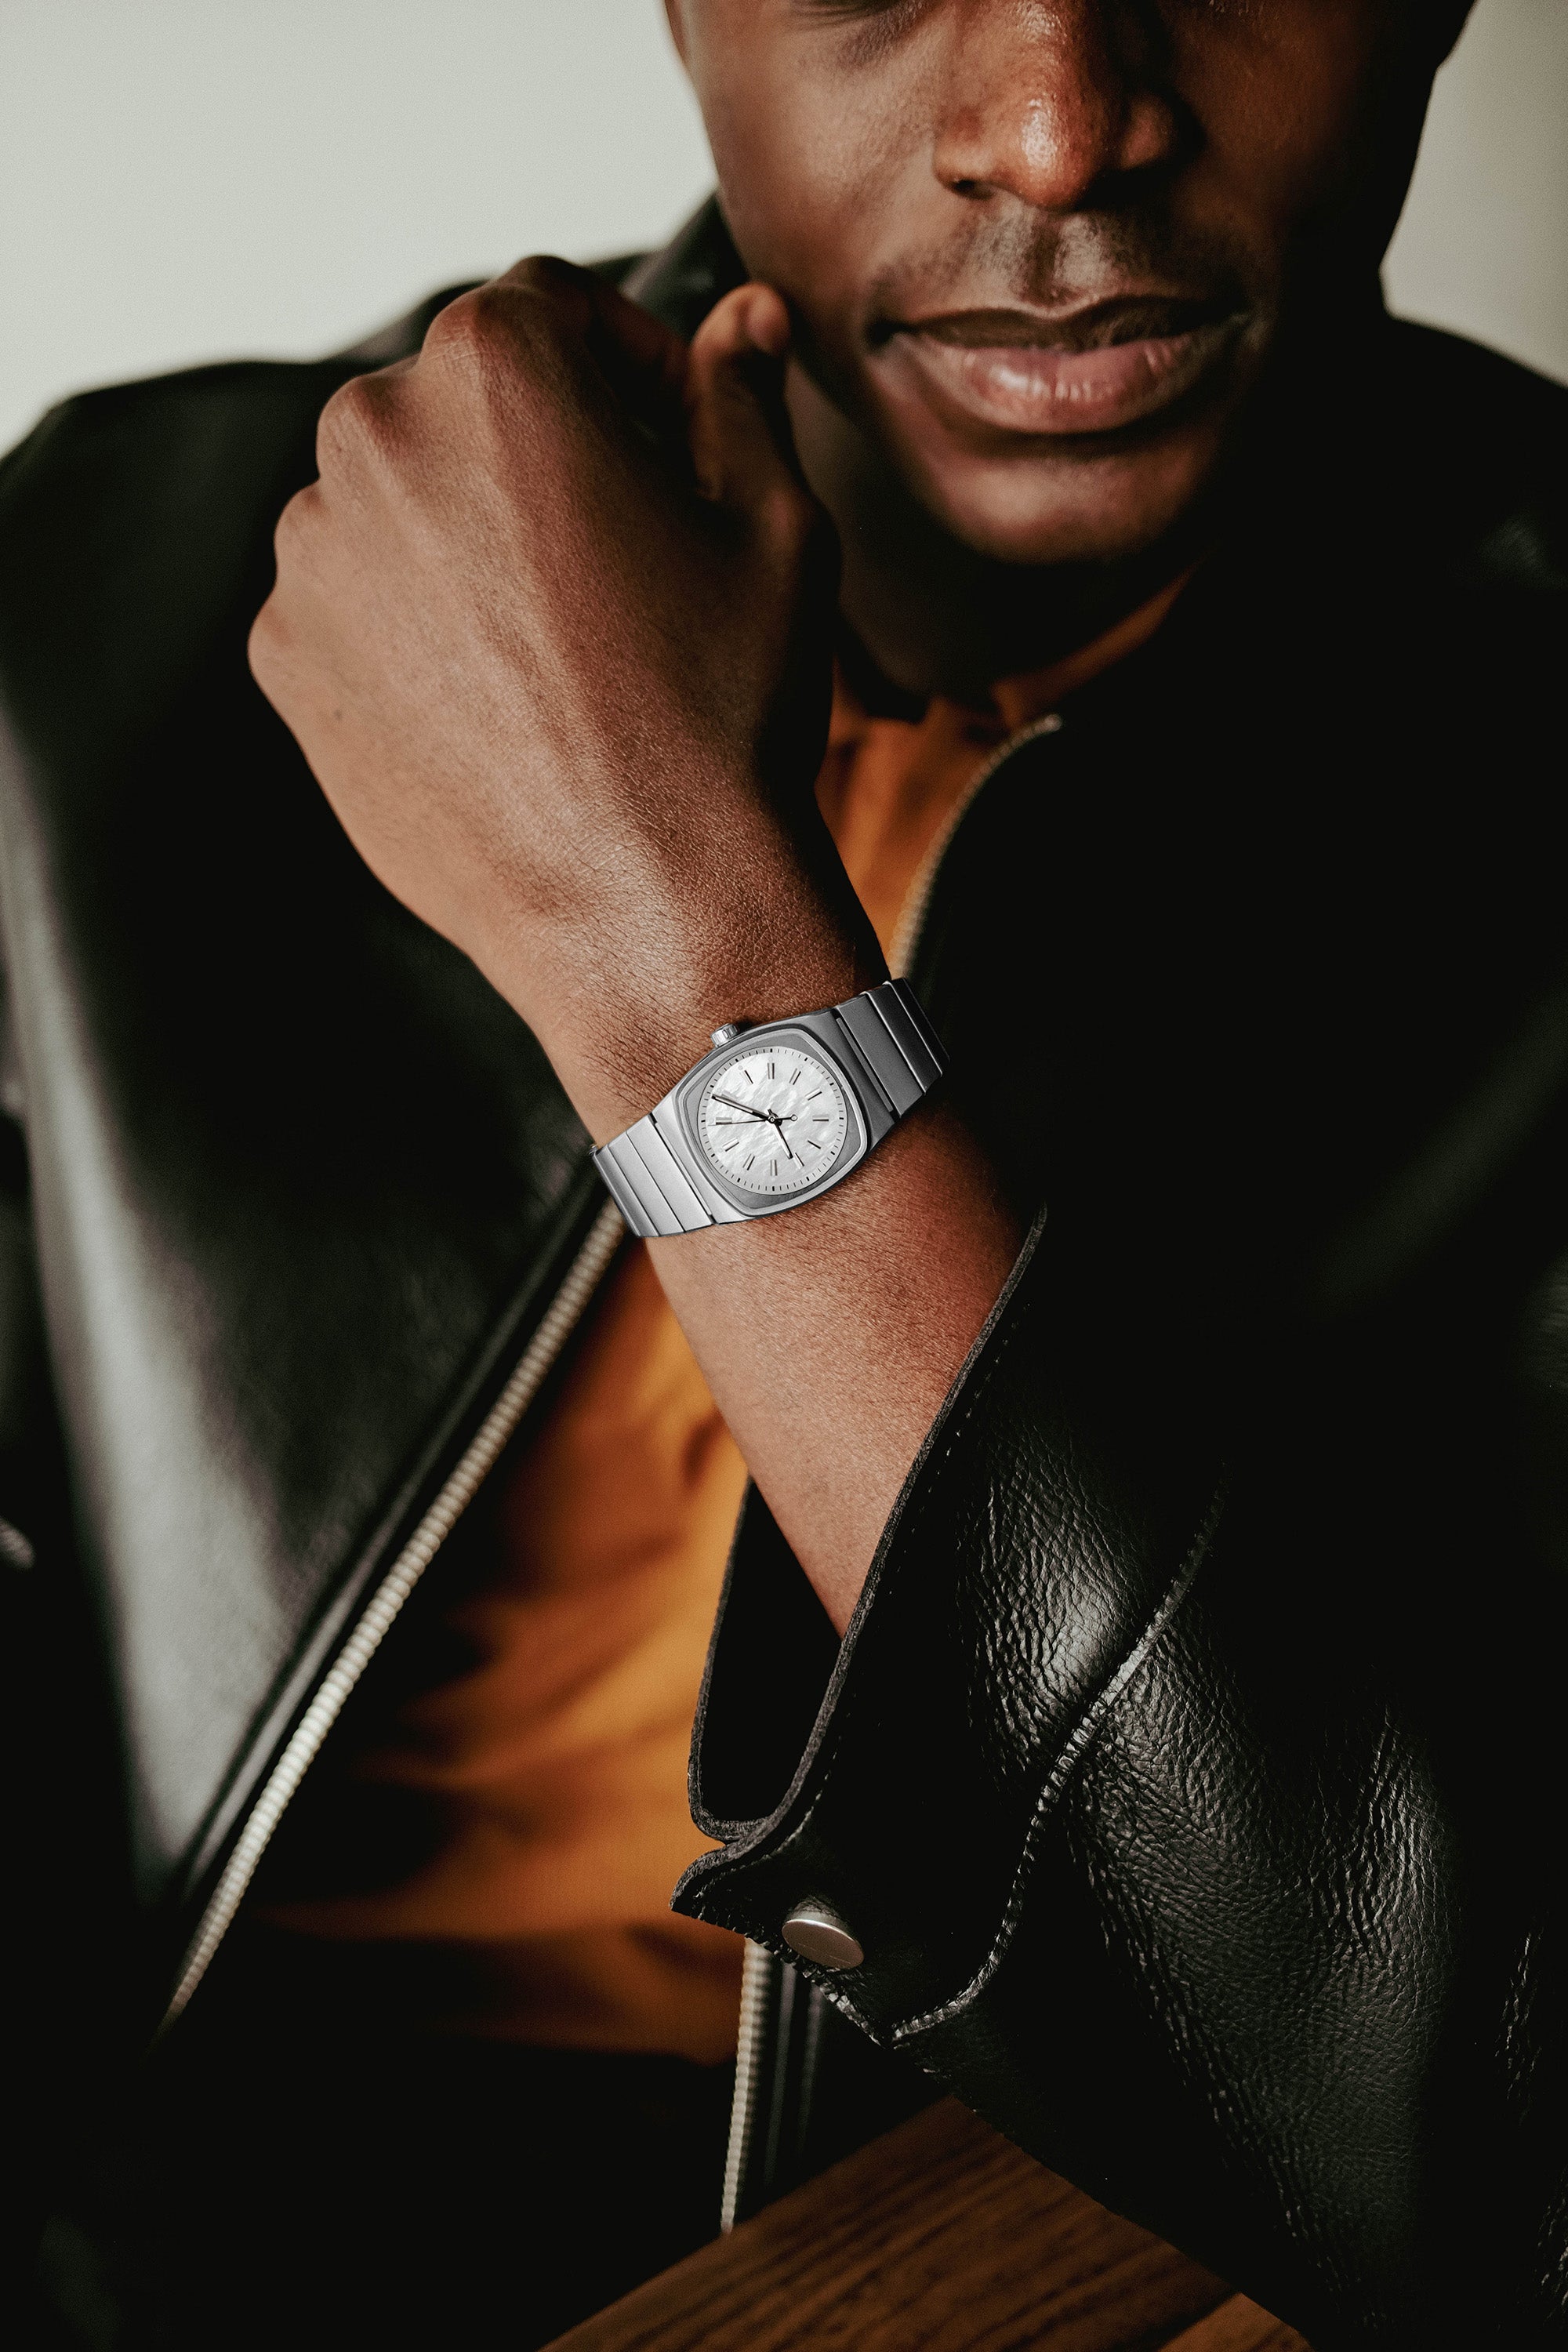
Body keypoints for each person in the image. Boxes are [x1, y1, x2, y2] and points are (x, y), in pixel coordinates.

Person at [4, 0, 1566, 2344]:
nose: (1057, 130)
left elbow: (1490, 2171)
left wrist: (677, 947)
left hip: (1007, 2245)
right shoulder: (121, 575)